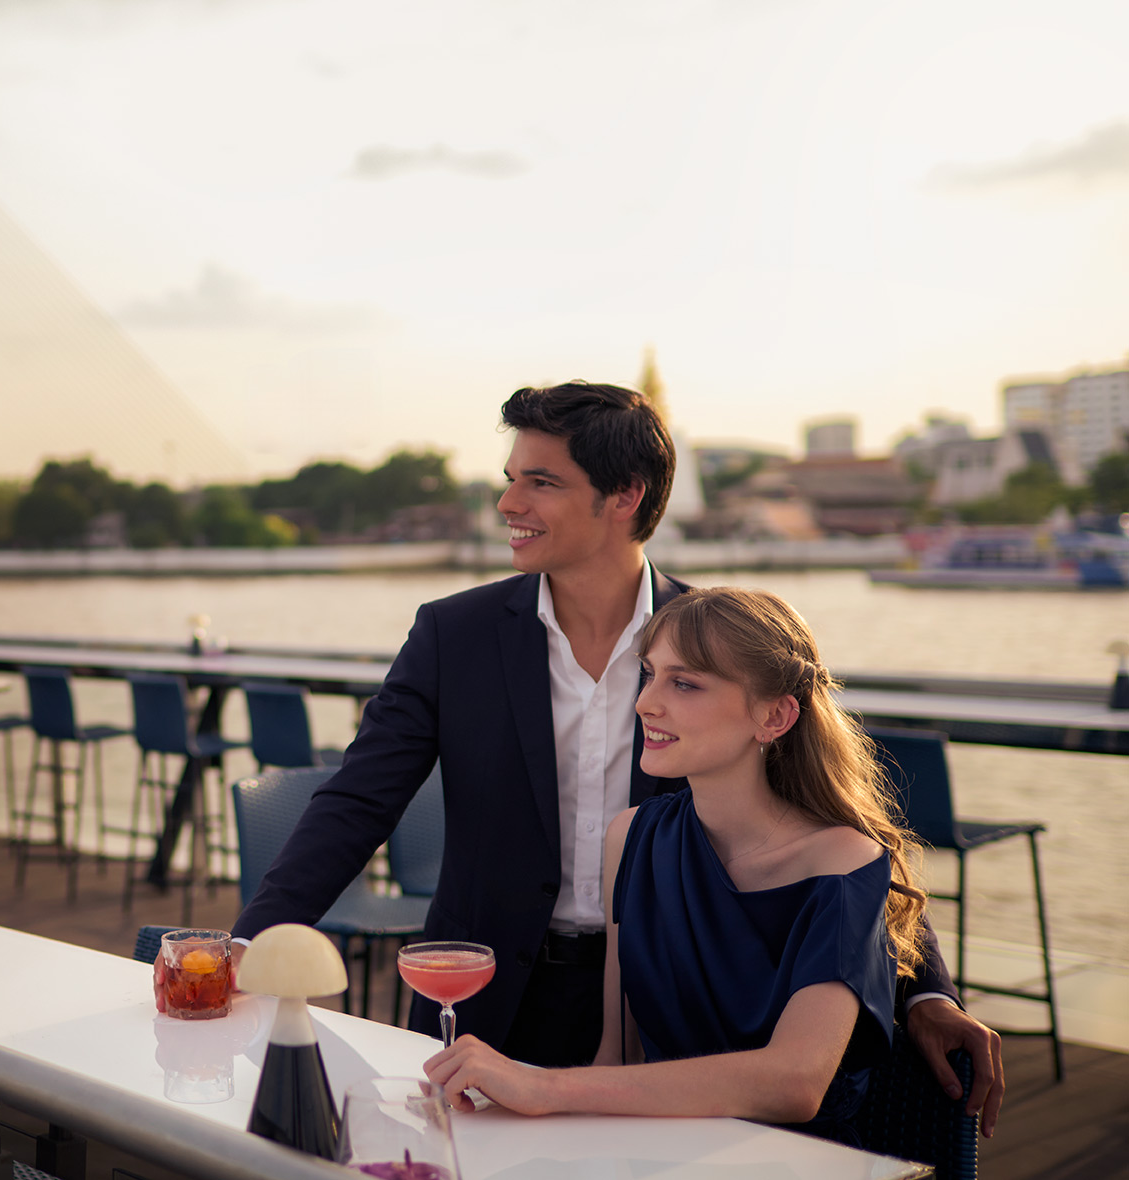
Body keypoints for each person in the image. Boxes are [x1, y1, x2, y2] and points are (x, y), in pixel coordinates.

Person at [232, 381, 1003, 1133]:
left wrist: (926, 991)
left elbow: (832, 814)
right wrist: (248, 947)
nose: (508, 504)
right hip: (481, 995)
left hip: (665, 1001)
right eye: (509, 480)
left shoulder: (715, 641)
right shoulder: (451, 635)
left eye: (539, 482)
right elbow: (356, 799)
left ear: (624, 495)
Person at [424, 587, 924, 1145]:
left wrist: (544, 1087)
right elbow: (617, 1056)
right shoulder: (632, 837)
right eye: (649, 674)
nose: (644, 703)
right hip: (653, 1149)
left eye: (684, 683)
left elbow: (796, 1083)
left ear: (775, 715)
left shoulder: (843, 861)